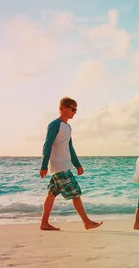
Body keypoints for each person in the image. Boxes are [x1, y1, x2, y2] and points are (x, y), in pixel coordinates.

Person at [38, 97, 102, 231]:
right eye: (73, 109)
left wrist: (77, 164)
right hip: (59, 166)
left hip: (63, 165)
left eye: (76, 110)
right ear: (63, 108)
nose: (74, 112)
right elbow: (47, 145)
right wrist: (44, 165)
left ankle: (44, 223)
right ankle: (86, 222)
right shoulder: (55, 125)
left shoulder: (67, 127)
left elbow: (70, 147)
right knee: (75, 193)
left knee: (51, 194)